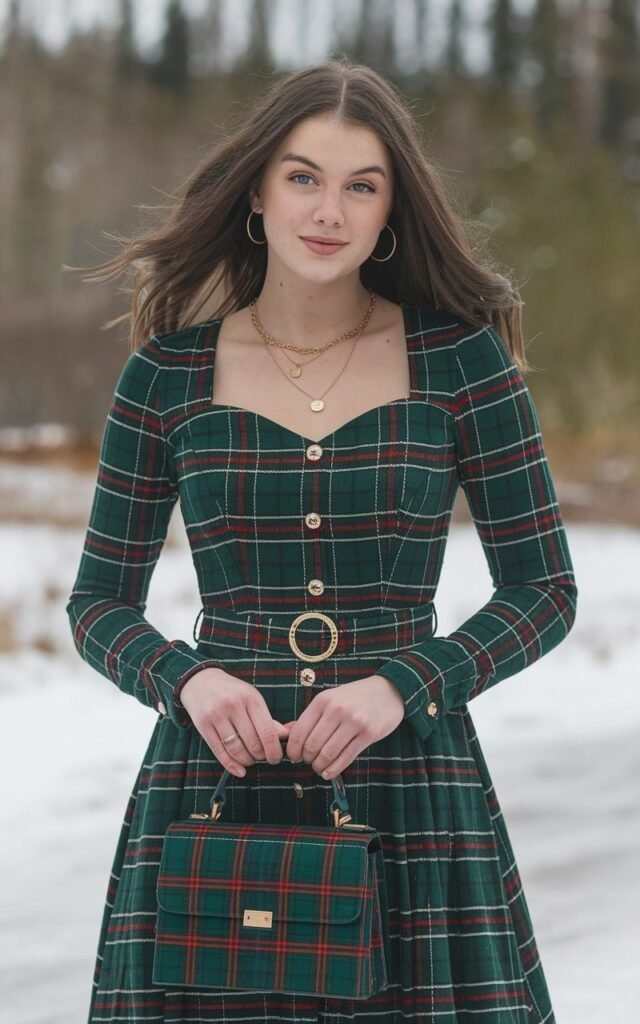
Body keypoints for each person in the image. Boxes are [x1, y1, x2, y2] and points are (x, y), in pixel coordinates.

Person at [66, 58, 578, 1024]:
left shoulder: (461, 362)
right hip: (213, 781)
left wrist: (407, 685)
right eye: (303, 177)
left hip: (410, 778)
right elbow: (96, 603)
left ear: (392, 212)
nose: (327, 210)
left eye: (361, 185)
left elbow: (545, 590)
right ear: (257, 191)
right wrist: (186, 678)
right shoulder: (167, 374)